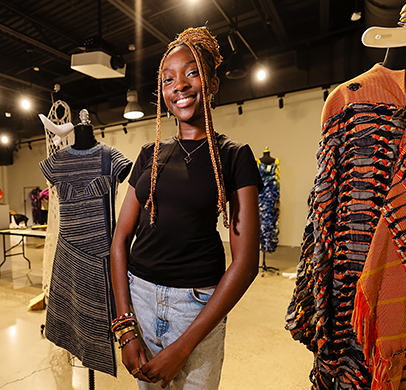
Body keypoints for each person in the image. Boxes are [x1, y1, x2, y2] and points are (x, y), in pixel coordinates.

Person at [111, 27, 263, 389]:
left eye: (191, 72)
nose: (179, 85)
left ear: (210, 82)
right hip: (140, 297)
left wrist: (184, 347)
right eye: (168, 79)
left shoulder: (233, 155)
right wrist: (125, 328)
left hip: (196, 307)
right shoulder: (150, 154)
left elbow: (245, 263)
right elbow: (120, 240)